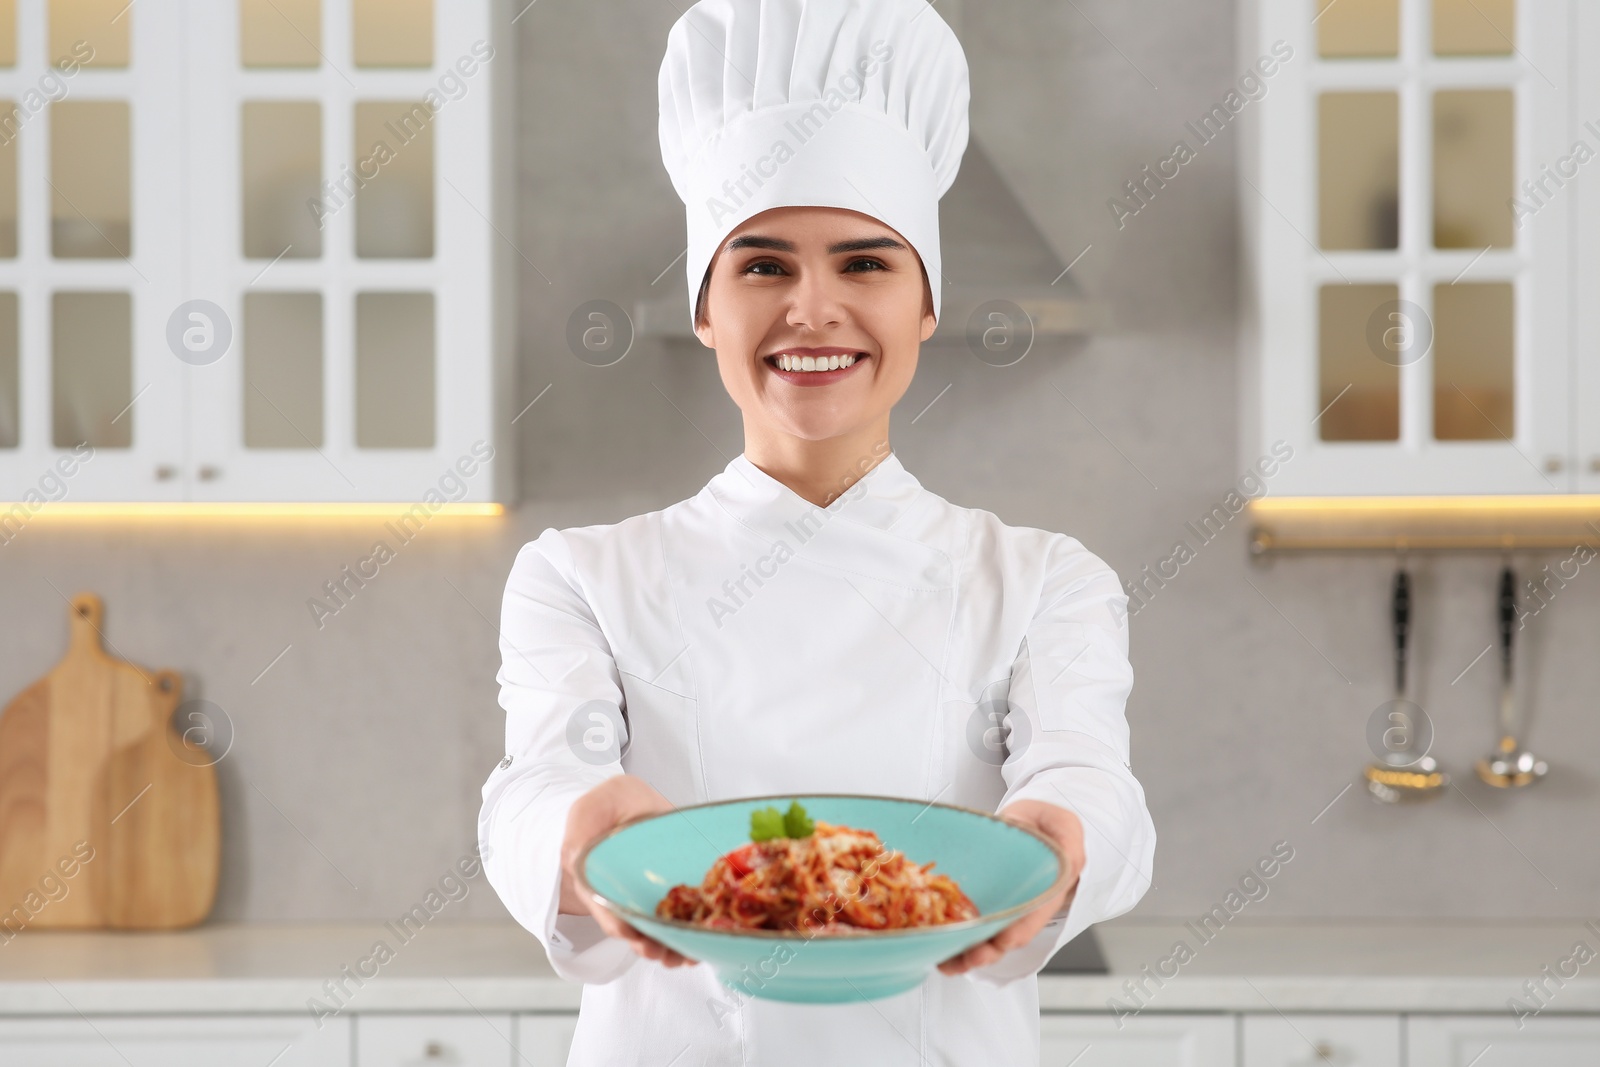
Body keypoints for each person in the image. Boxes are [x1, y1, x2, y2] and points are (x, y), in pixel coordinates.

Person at [477, 0, 1155, 1062]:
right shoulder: (580, 573)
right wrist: (574, 829)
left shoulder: (1041, 578)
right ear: (705, 308)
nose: (812, 309)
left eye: (864, 263)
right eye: (762, 265)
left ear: (925, 303)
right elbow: (536, 782)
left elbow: (1088, 774)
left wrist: (1060, 837)